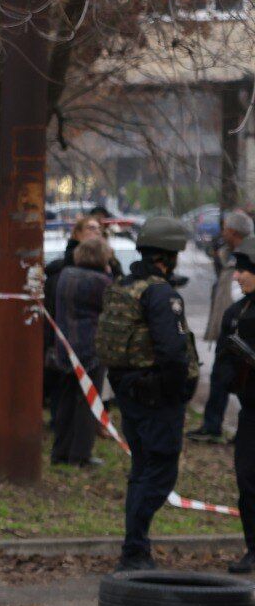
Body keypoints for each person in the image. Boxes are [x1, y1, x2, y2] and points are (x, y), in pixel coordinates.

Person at [98, 218, 198, 572]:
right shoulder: (159, 293)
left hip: (130, 390)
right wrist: (177, 391)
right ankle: (135, 549)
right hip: (157, 397)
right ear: (167, 258)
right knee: (159, 473)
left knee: (141, 470)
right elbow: (172, 351)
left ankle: (135, 548)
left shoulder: (125, 286)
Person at [189, 210, 254, 442]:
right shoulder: (232, 253)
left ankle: (217, 426)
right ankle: (214, 425)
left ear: (234, 232)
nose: (222, 231)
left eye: (225, 228)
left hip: (241, 326)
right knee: (223, 376)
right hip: (231, 323)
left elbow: (238, 290)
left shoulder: (247, 255)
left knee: (232, 377)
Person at [50, 235, 115, 466]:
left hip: (65, 347)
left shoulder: (66, 275)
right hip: (90, 349)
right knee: (88, 403)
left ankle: (60, 452)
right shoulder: (102, 283)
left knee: (66, 402)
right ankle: (81, 455)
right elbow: (111, 309)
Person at [221, 240, 255, 572]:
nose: (237, 276)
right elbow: (223, 364)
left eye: (244, 270)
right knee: (247, 479)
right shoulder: (237, 314)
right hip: (251, 412)